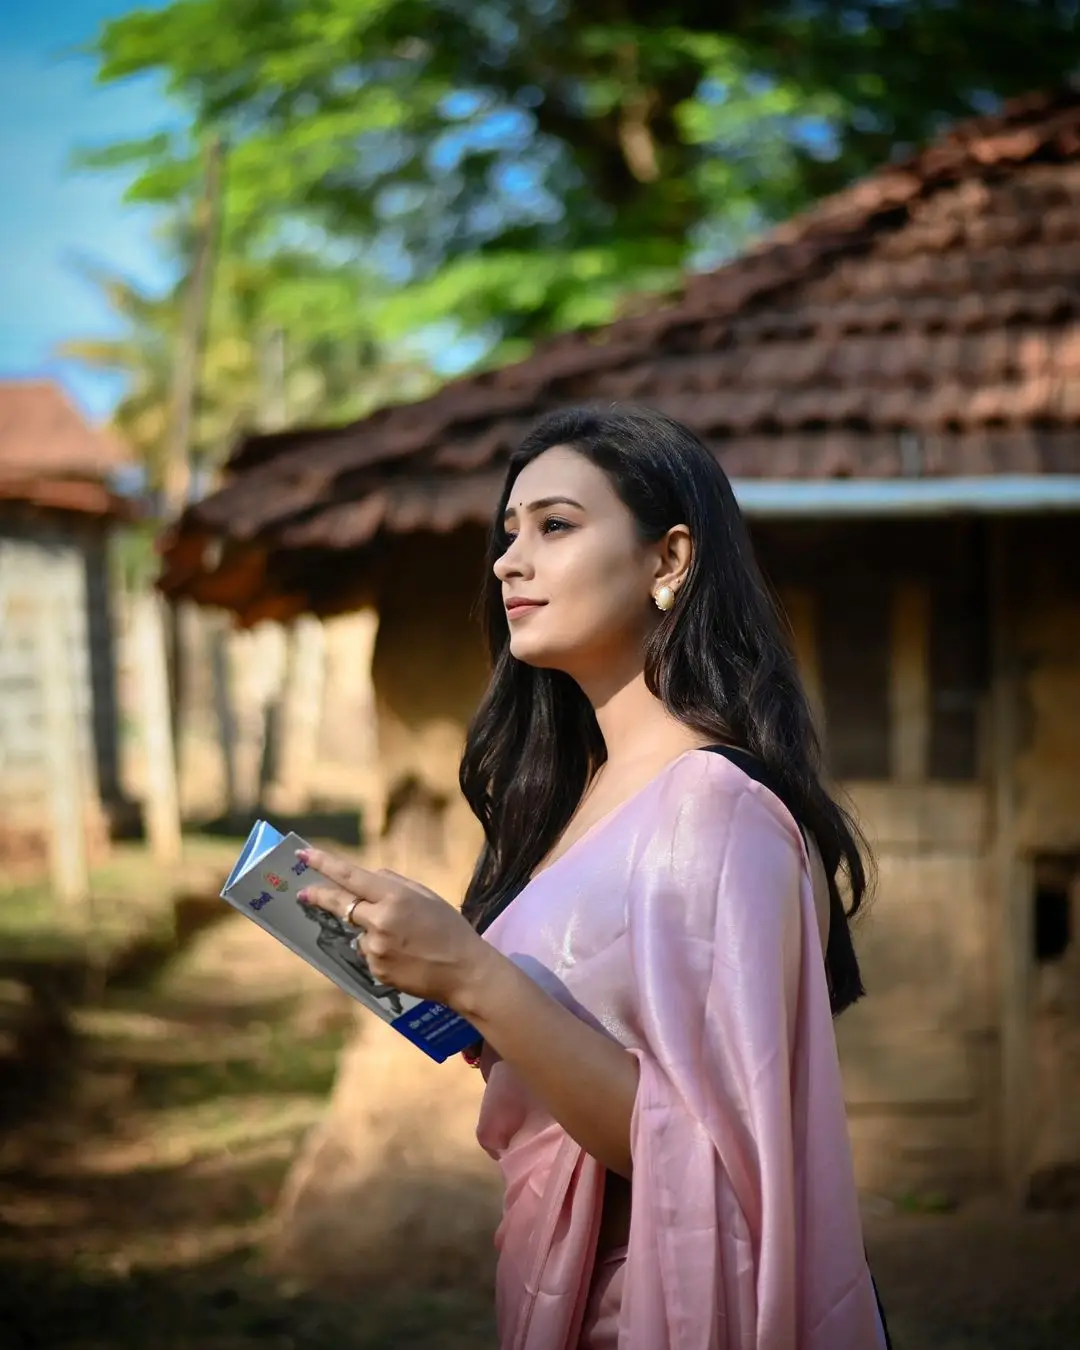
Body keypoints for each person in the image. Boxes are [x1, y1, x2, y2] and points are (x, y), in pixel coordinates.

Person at [295, 405, 892, 1349]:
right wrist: (445, 995)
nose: (508, 561)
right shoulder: (585, 801)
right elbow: (584, 1059)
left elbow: (710, 1159)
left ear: (670, 560)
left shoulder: (713, 810)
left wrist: (475, 977)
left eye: (555, 526)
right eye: (508, 534)